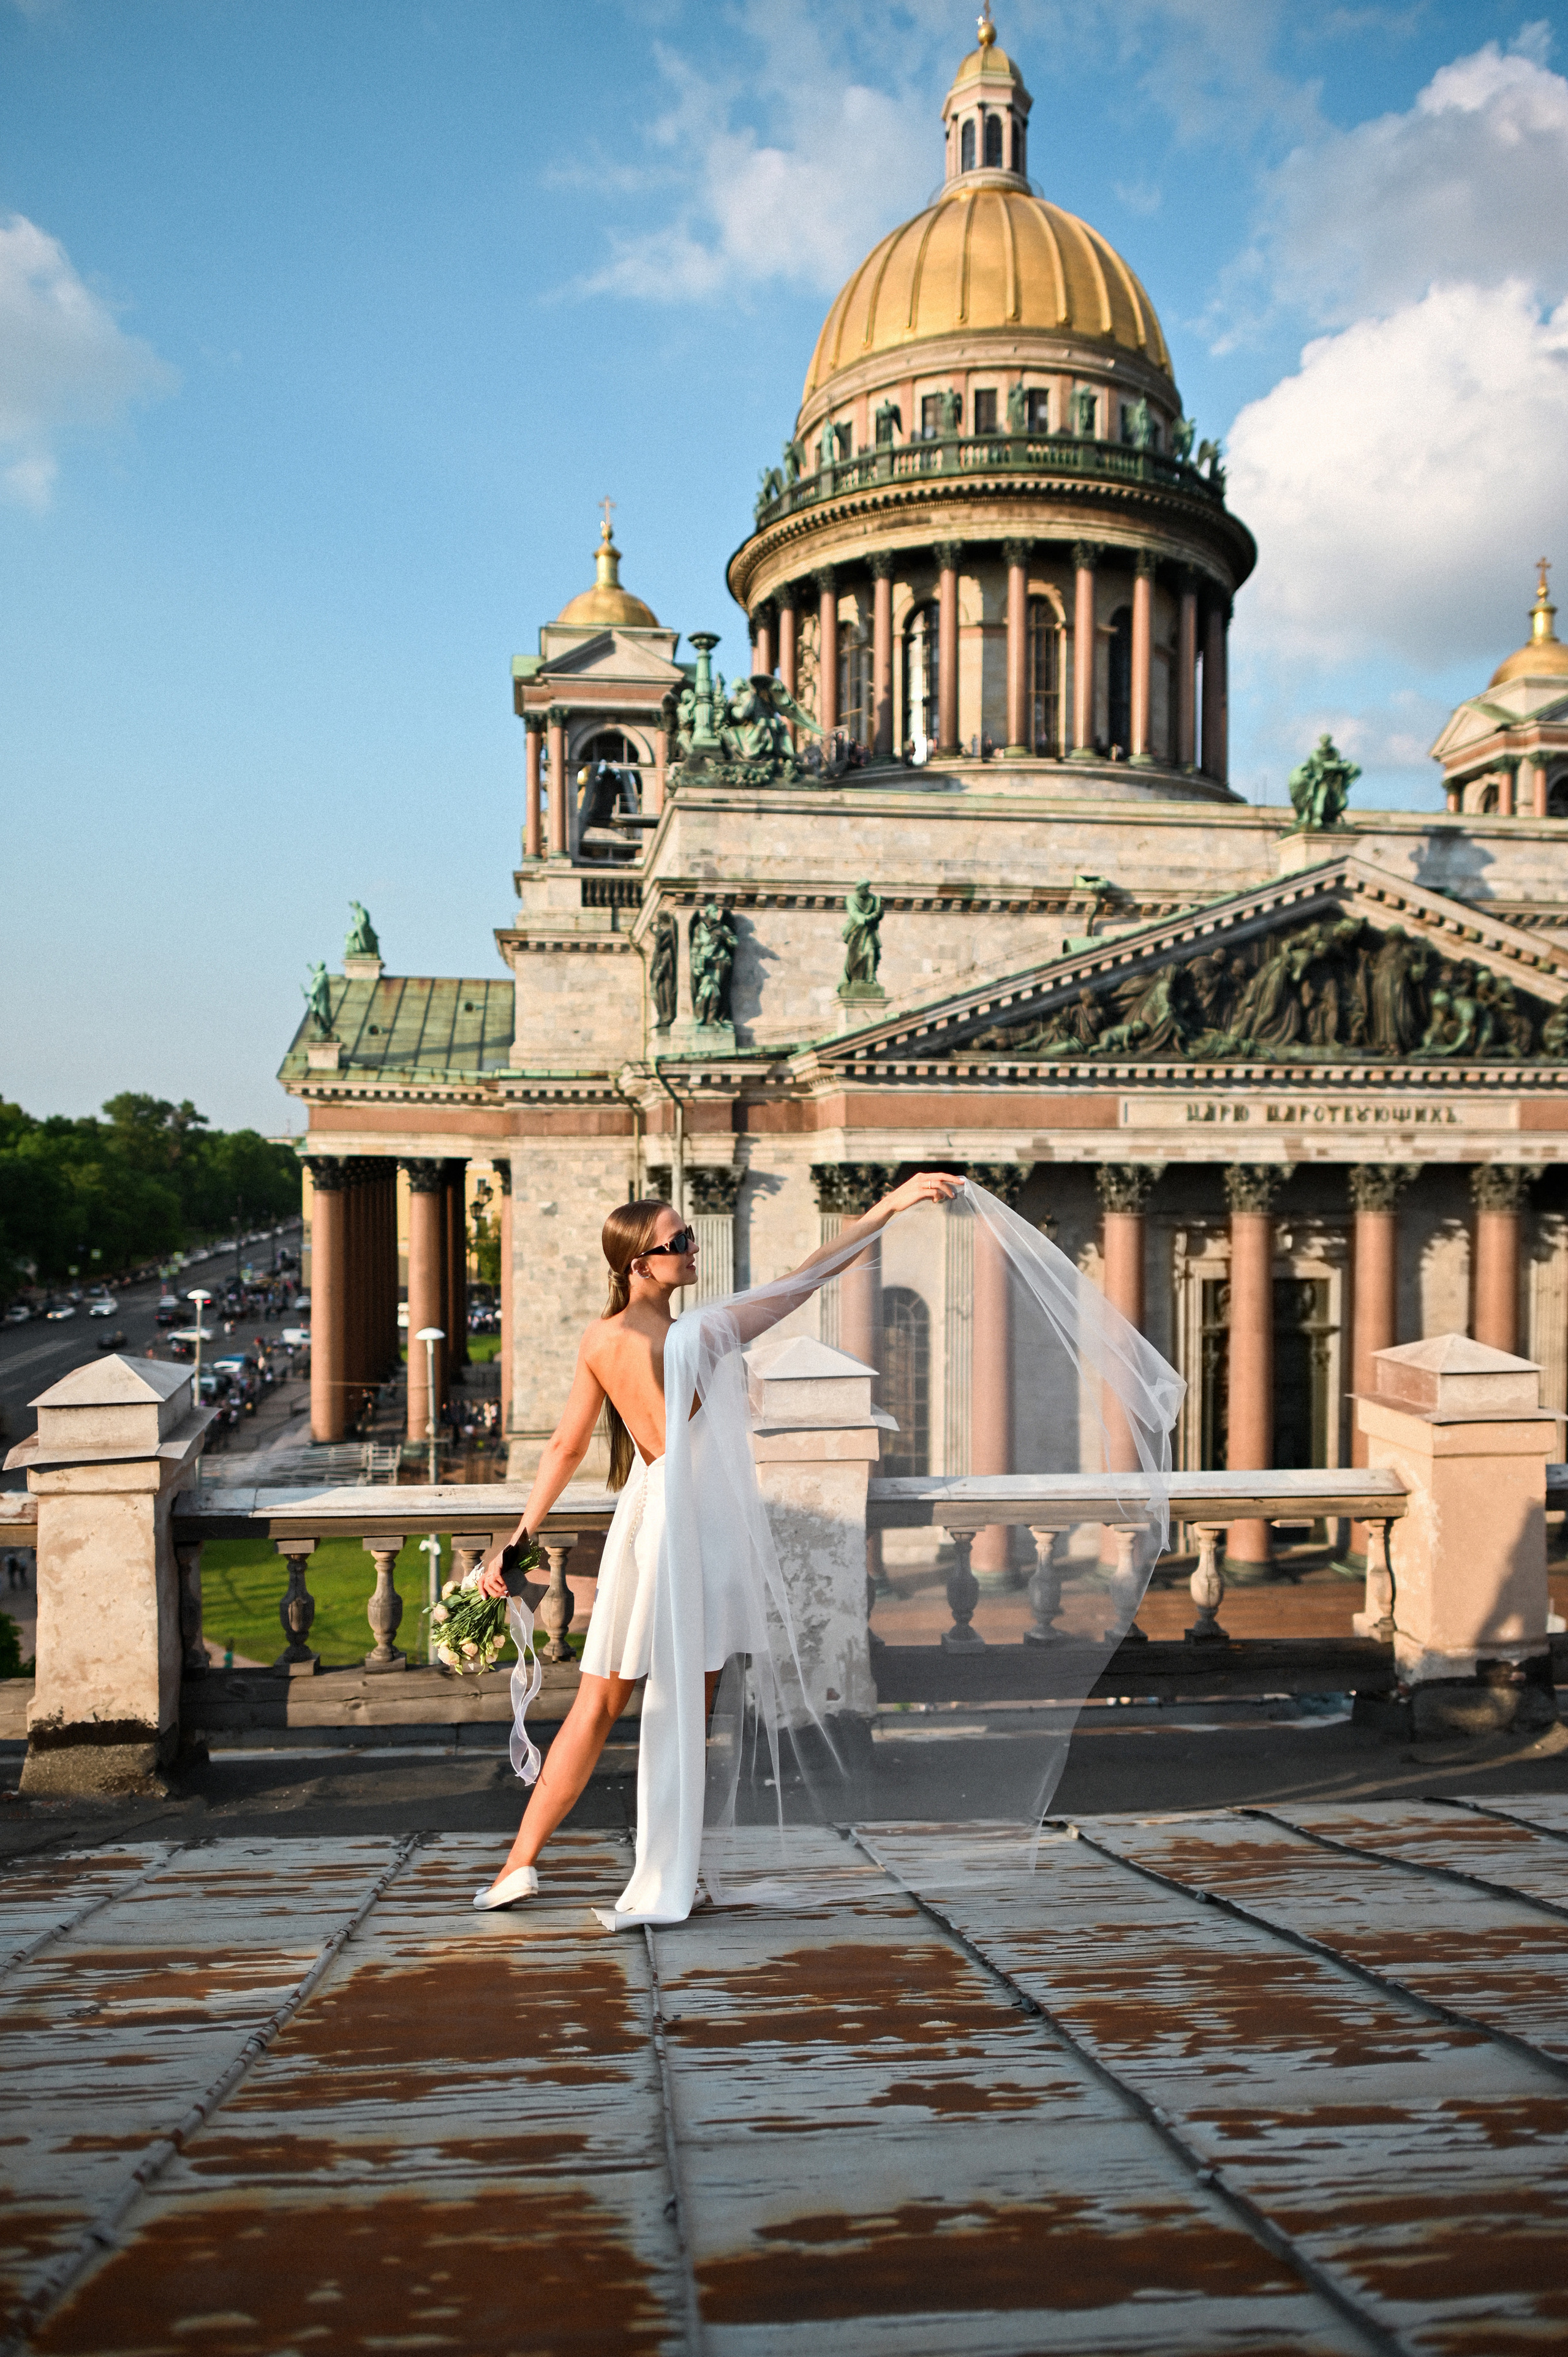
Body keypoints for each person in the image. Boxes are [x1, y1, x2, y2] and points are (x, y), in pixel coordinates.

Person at [473, 1170, 962, 1914]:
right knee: (684, 1711)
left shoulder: (601, 1338)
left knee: (599, 1704)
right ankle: (674, 1874)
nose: (692, 1249)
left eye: (690, 1236)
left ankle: (518, 1863)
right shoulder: (697, 1333)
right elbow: (806, 1279)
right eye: (678, 1242)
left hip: (644, 1520)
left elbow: (564, 1448)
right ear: (640, 1262)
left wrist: (519, 1536)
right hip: (694, 1523)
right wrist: (889, 1206)